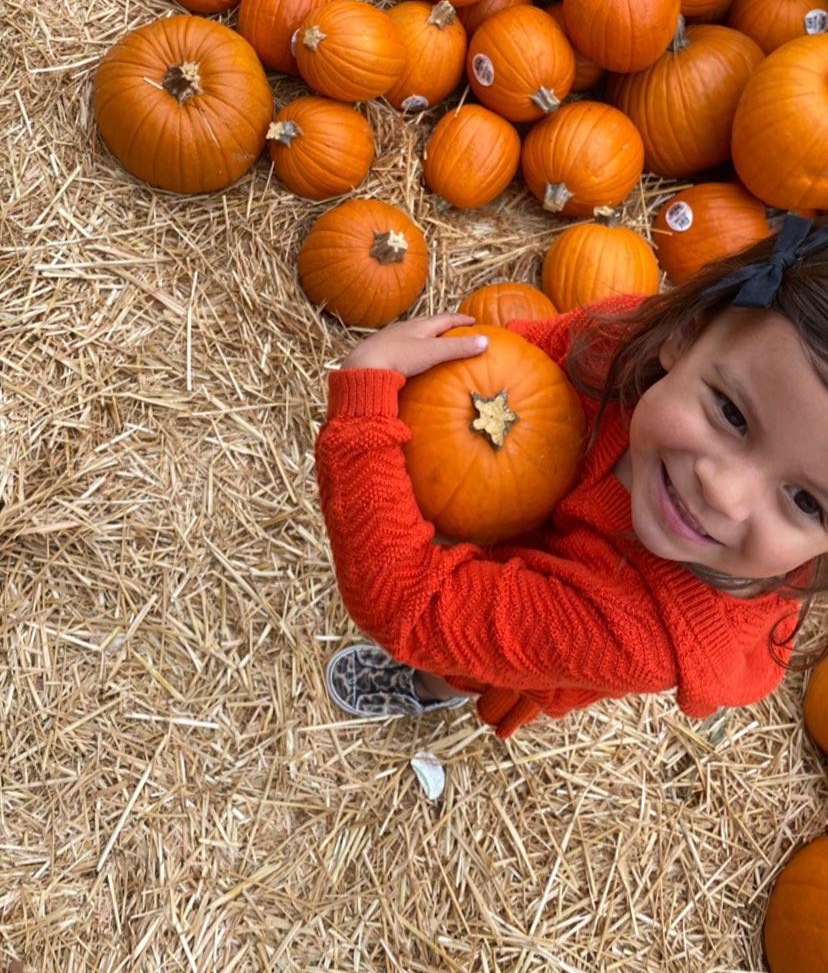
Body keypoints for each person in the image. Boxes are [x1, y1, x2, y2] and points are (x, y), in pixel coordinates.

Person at [314, 214, 828, 738]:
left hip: (560, 622)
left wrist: (364, 407)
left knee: (460, 657)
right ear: (685, 336)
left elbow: (409, 606)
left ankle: (430, 688)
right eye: (732, 414)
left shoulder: (633, 633)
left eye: (807, 502)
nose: (725, 492)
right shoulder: (620, 338)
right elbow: (525, 362)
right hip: (510, 503)